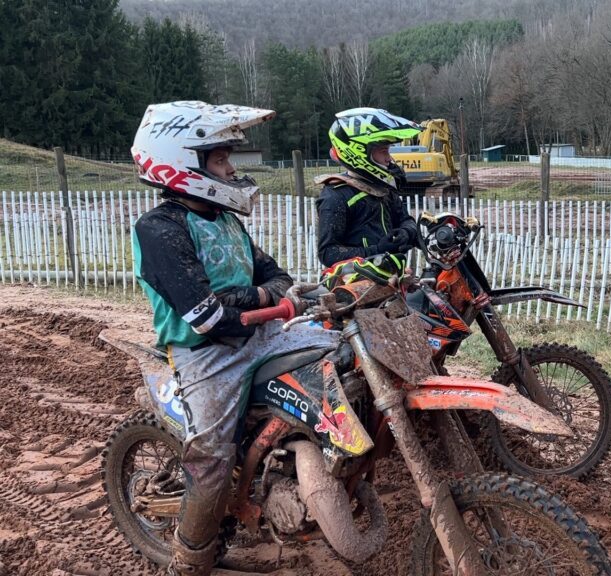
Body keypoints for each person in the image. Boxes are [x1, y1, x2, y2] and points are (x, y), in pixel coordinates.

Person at [130, 101, 340, 575]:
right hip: (207, 356)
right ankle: (188, 561)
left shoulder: (226, 220)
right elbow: (207, 316)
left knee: (340, 353)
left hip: (262, 334)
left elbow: (279, 278)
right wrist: (261, 297)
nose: (230, 169)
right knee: (210, 462)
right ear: (182, 162)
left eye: (227, 158)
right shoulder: (159, 229)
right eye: (220, 159)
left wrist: (257, 297)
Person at [316, 107, 422, 268]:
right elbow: (328, 253)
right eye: (383, 151)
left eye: (389, 151)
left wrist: (406, 232)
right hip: (354, 285)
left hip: (391, 279)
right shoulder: (336, 196)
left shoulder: (383, 189)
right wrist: (376, 250)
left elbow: (405, 220)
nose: (389, 159)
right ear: (359, 152)